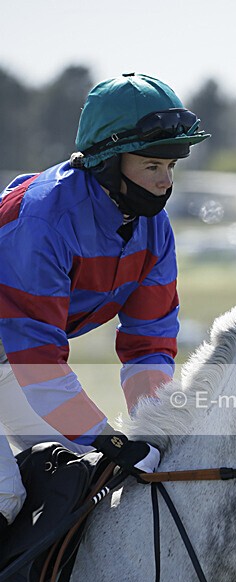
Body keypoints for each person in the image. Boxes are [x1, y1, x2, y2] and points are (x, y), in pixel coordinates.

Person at [0, 72, 210, 530]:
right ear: (107, 162)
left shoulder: (153, 228)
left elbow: (148, 343)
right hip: (23, 360)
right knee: (5, 493)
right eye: (152, 166)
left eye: (171, 167)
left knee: (84, 474)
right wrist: (108, 438)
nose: (164, 182)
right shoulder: (41, 222)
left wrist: (151, 430)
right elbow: (40, 364)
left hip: (10, 360)